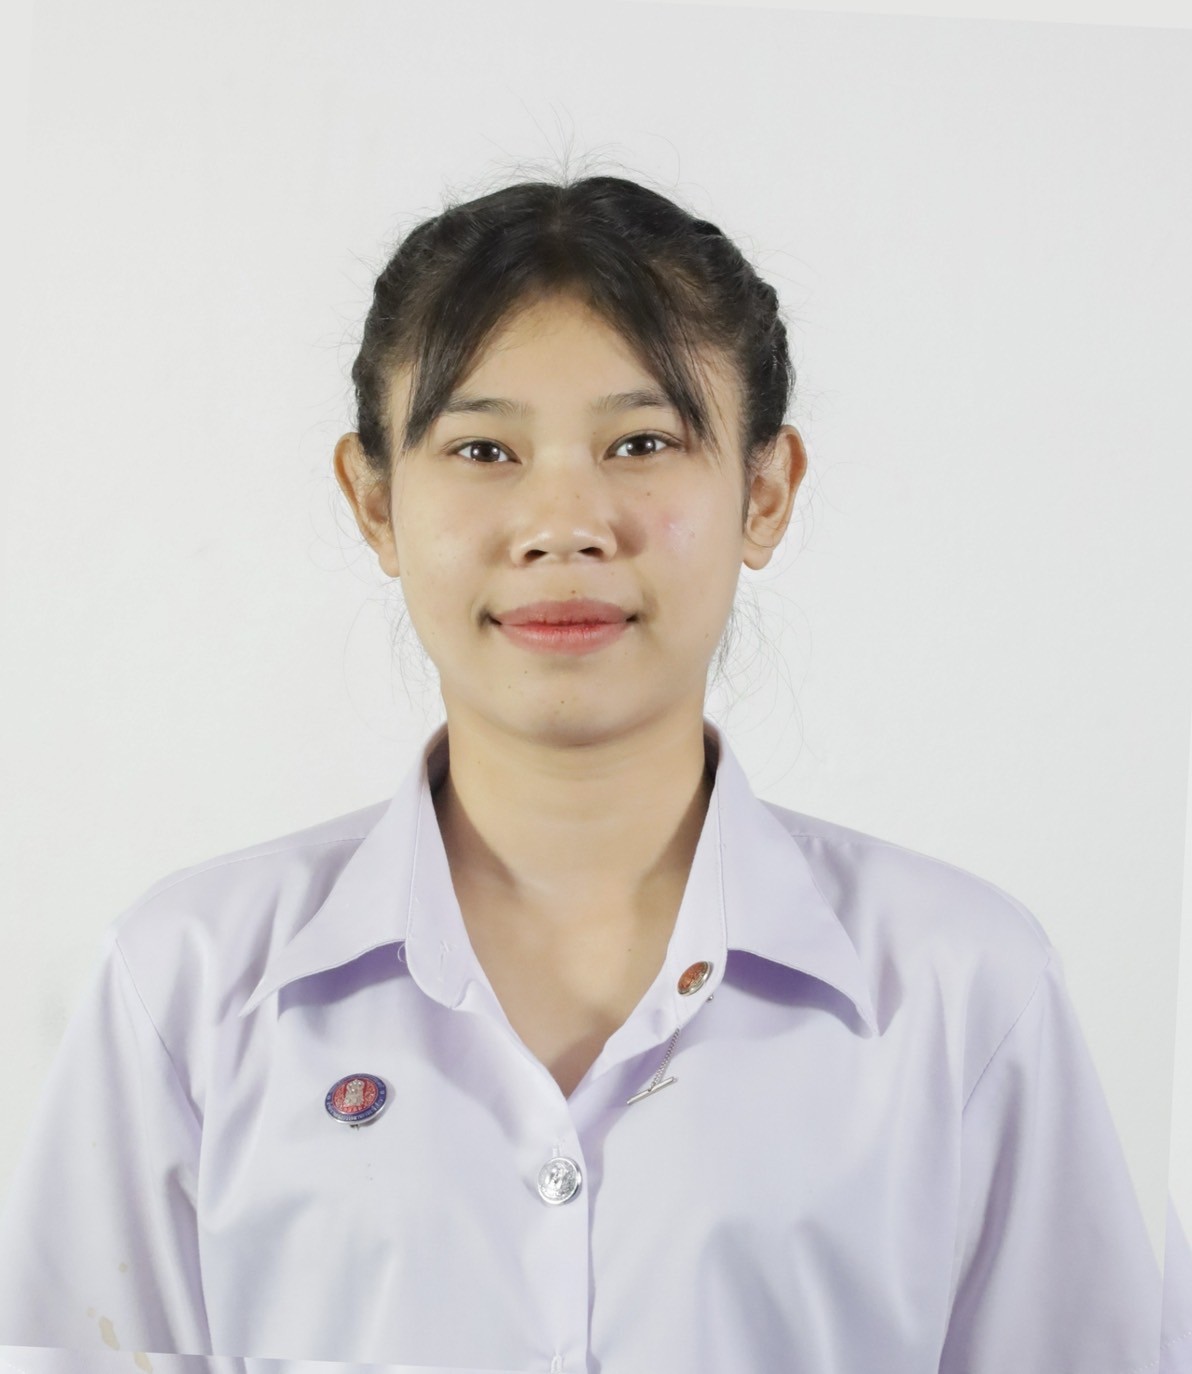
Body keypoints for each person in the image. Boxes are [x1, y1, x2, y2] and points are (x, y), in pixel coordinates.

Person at [0, 170, 1190, 1374]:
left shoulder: (959, 987)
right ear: (374, 501)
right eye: (482, 448)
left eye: (642, 442)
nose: (565, 523)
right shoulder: (192, 984)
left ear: (764, 491)